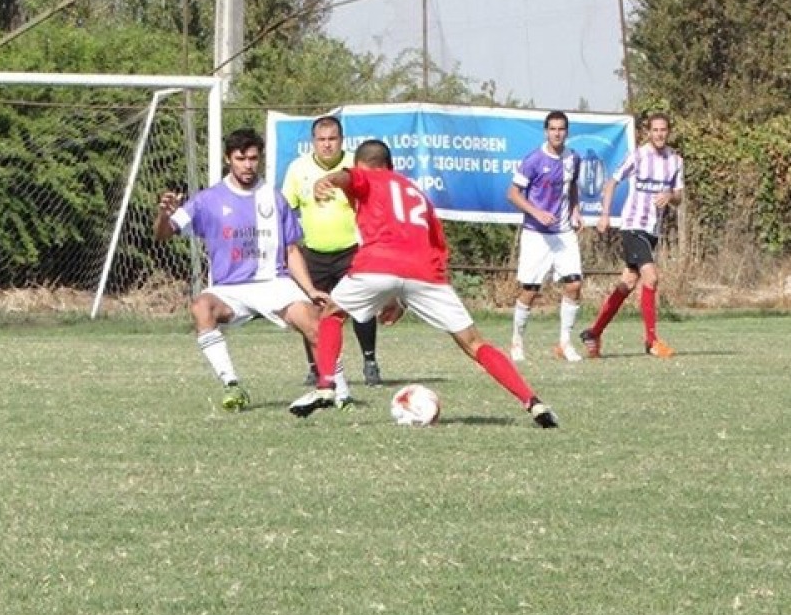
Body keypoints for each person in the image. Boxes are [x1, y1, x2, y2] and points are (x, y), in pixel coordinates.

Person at [289, 139, 559, 428]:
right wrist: (399, 296)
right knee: (475, 343)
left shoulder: (367, 175)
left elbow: (349, 177)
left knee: (332, 313)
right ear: (391, 165)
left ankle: (327, 384)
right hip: (425, 273)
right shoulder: (417, 194)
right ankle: (533, 402)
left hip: (377, 262)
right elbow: (437, 247)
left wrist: (329, 179)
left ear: (363, 165)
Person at [154, 127, 354, 411]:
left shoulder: (273, 197)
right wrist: (164, 214)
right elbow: (163, 234)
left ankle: (340, 394)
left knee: (315, 323)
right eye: (240, 159)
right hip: (230, 288)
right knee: (201, 306)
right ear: (228, 159)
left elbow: (292, 249)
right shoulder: (208, 200)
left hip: (273, 282)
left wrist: (309, 290)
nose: (247, 165)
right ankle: (232, 385)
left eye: (252, 158)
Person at [282, 115, 384, 387]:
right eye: (321, 140)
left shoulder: (354, 166)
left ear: (342, 141)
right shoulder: (297, 169)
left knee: (361, 309)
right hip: (313, 252)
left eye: (332, 139)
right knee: (312, 312)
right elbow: (286, 209)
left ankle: (370, 362)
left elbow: (374, 202)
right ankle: (316, 367)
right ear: (313, 142)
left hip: (351, 250)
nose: (327, 145)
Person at [581, 112, 684, 359]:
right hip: (632, 225)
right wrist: (605, 214)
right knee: (651, 278)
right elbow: (611, 182)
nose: (659, 134)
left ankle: (593, 333)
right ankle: (652, 341)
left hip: (652, 230)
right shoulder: (638, 156)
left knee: (627, 283)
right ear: (648, 132)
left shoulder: (675, 160)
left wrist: (670, 196)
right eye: (655, 130)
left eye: (663, 130)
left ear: (668, 132)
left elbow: (679, 197)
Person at [505, 110, 584, 363]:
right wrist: (536, 212)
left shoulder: (574, 158)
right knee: (530, 290)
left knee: (574, 284)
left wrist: (575, 210)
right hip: (536, 234)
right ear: (546, 131)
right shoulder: (534, 160)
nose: (557, 133)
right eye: (552, 129)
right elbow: (513, 194)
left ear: (567, 132)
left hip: (563, 232)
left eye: (561, 129)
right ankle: (516, 341)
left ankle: (565, 343)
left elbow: (571, 187)